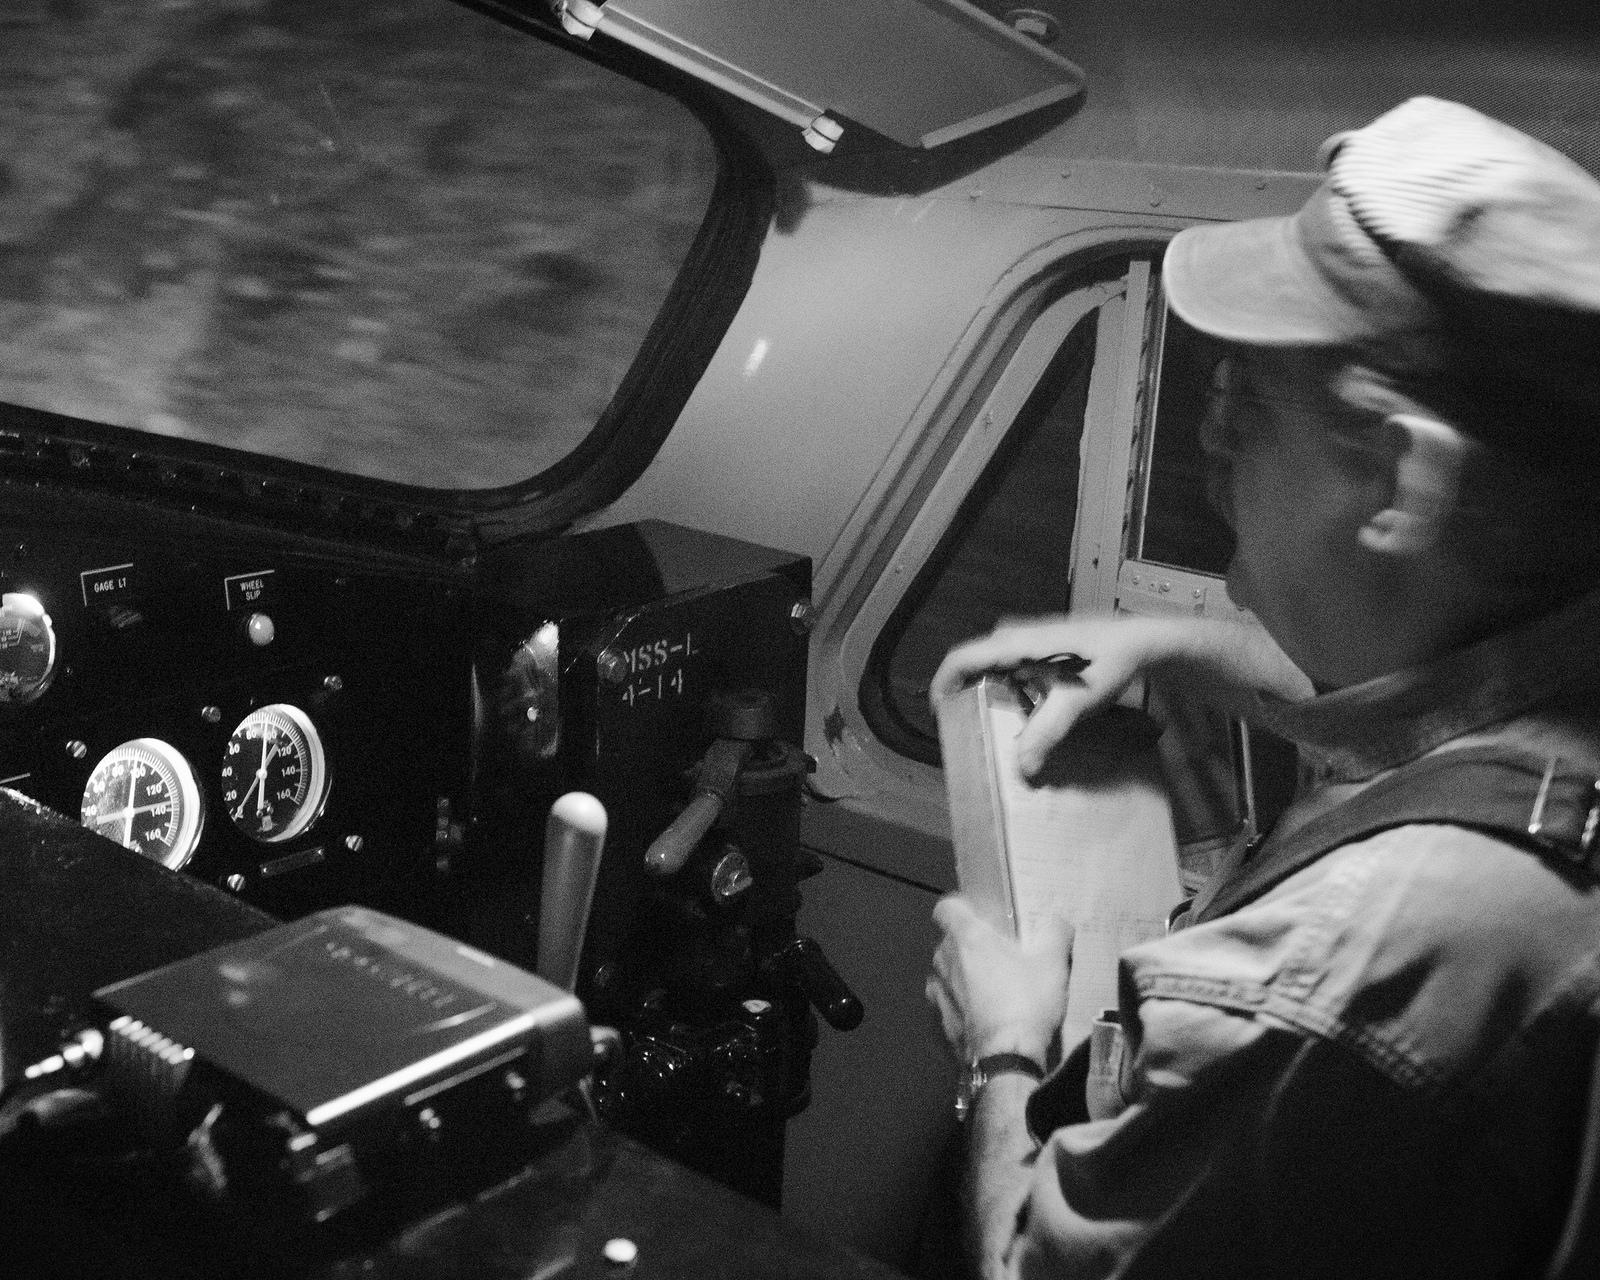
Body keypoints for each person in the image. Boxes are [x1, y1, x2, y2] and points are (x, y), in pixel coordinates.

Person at [924, 97, 1600, 1279]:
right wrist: (1197, 654)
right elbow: (1460, 719)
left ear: (1401, 480)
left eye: (1250, 403)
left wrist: (1006, 1047)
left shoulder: (1331, 973)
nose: (1213, 439)